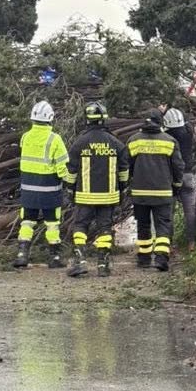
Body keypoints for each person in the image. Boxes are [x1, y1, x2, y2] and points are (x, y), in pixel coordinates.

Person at [65, 101, 130, 277]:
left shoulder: (79, 143)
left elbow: (71, 171)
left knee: (80, 226)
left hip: (84, 196)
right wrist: (122, 189)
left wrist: (70, 190)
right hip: (108, 196)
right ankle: (103, 265)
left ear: (87, 119)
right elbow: (124, 171)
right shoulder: (116, 144)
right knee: (105, 228)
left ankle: (80, 261)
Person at [15, 100, 70, 269]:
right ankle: (54, 257)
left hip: (28, 189)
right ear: (50, 118)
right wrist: (71, 182)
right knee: (52, 224)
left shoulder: (25, 137)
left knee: (27, 222)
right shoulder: (55, 139)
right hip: (49, 190)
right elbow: (62, 167)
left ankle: (22, 255)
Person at [128, 111, 185, 271]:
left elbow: (127, 165)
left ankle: (144, 259)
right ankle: (161, 258)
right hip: (163, 192)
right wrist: (177, 184)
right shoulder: (170, 141)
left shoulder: (134, 141)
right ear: (161, 123)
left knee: (143, 224)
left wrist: (130, 182)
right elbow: (178, 166)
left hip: (140, 193)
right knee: (163, 225)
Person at [162, 106, 196, 252]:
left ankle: (169, 244)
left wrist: (161, 112)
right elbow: (189, 123)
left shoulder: (166, 137)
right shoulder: (188, 132)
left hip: (170, 177)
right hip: (187, 175)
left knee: (168, 211)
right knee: (190, 210)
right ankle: (191, 242)